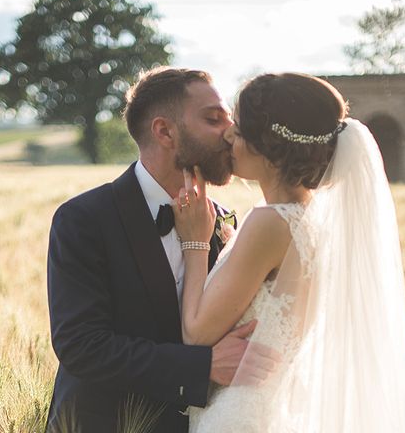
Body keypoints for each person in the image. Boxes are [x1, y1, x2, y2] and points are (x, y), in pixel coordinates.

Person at [174, 73, 405, 432]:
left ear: (271, 147)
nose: (229, 134)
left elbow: (197, 335)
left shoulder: (269, 223)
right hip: (273, 409)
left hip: (239, 417)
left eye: (241, 128)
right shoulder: (307, 218)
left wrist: (196, 241)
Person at [45, 67, 276, 433]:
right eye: (214, 119)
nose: (231, 133)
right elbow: (82, 346)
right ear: (165, 131)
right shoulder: (83, 219)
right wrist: (202, 366)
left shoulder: (227, 221)